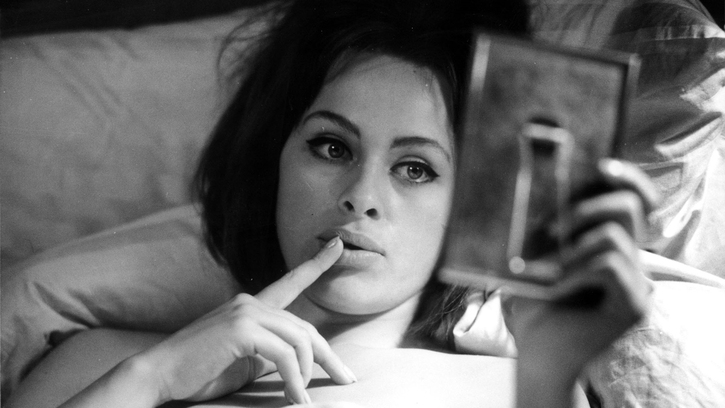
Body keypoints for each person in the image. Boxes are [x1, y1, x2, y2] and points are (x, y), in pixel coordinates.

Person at [7, 0, 656, 407]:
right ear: (273, 161)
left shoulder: (506, 391)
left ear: (471, 206)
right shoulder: (103, 364)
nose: (360, 198)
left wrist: (549, 374)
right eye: (331, 147)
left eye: (415, 168)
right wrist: (149, 380)